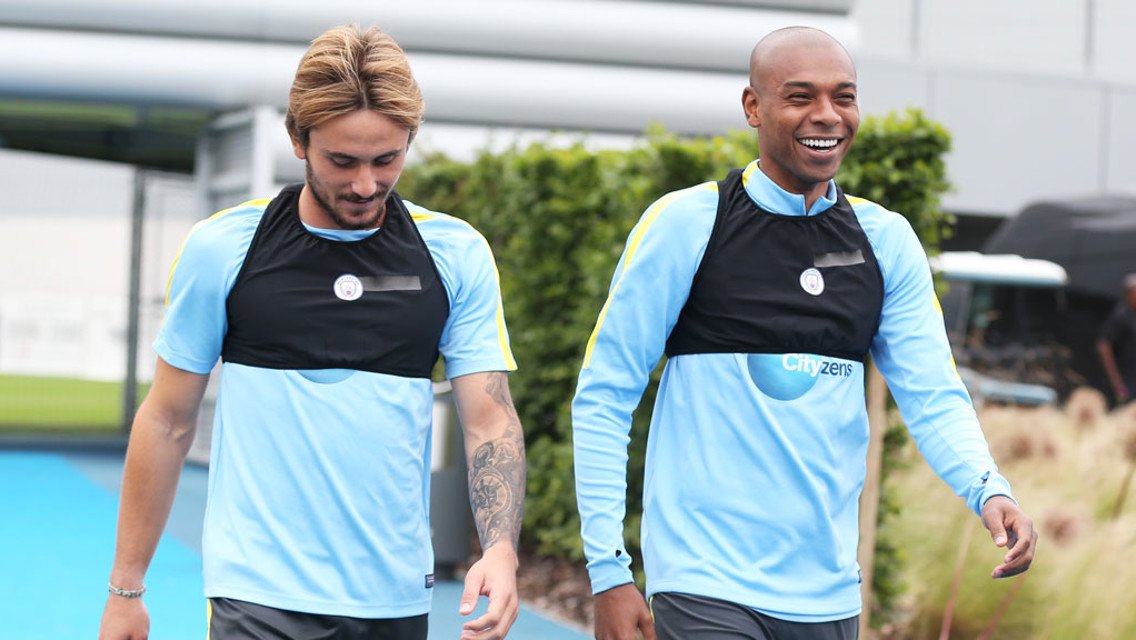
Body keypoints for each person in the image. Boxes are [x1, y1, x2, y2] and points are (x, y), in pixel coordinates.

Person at [572, 26, 1037, 640]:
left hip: (826, 594)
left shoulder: (885, 240)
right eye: (799, 96)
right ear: (753, 107)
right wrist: (609, 570)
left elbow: (931, 391)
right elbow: (605, 395)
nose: (827, 115)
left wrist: (988, 490)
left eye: (844, 97)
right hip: (703, 580)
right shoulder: (687, 223)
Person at [98, 25, 525, 640]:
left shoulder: (455, 254)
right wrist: (125, 591)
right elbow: (167, 420)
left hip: (394, 596)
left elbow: (489, 419)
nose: (365, 184)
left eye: (387, 159)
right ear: (297, 140)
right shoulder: (223, 248)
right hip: (256, 592)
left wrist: (501, 549)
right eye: (341, 160)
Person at [1097, 273, 1136, 405]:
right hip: (1125, 384)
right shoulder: (1120, 316)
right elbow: (1104, 346)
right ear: (1128, 293)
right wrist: (1117, 383)